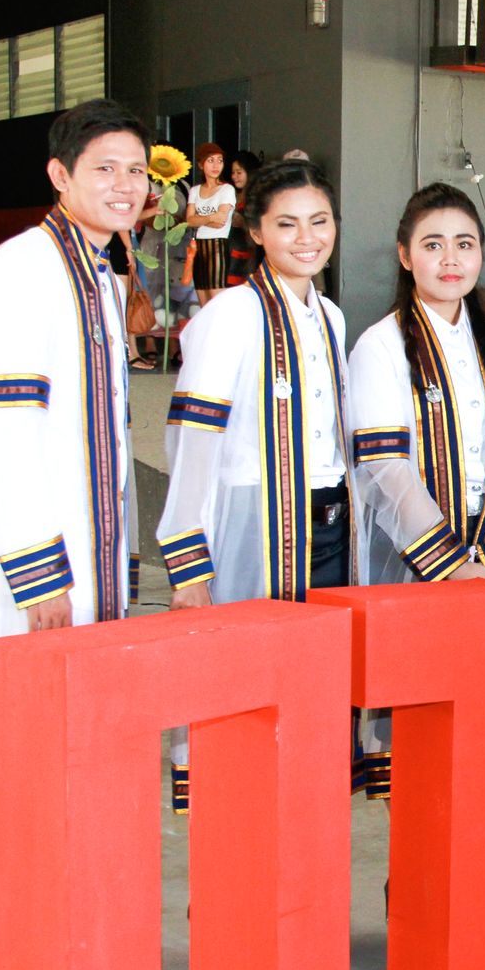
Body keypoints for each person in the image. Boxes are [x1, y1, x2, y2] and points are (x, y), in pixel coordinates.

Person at [0, 98, 148, 964]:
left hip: (90, 564)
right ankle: (2, 946)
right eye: (104, 168)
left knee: (79, 747)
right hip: (32, 573)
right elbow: (6, 431)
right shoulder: (22, 272)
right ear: (60, 175)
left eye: (136, 170)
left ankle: (69, 934)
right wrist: (41, 577)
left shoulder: (101, 275)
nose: (125, 185)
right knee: (14, 748)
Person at [157, 157, 353, 808]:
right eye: (287, 224)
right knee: (241, 689)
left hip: (330, 527)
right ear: (256, 231)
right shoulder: (231, 316)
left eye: (320, 221)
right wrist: (188, 564)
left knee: (311, 693)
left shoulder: (331, 315)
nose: (307, 237)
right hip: (255, 523)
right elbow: (192, 440)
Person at [348, 181, 485, 797]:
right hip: (414, 564)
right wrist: (454, 564)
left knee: (484, 737)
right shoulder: (381, 345)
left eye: (464, 243)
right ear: (405, 255)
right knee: (414, 738)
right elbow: (385, 469)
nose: (450, 259)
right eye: (433, 245)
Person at [183, 142, 235, 306]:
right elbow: (189, 221)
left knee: (216, 300)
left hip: (217, 246)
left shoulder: (227, 189)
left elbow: (220, 222)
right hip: (199, 247)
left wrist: (199, 218)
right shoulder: (194, 190)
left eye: (220, 160)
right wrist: (211, 217)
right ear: (200, 164)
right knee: (202, 299)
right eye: (210, 160)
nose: (216, 165)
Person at [225, 149, 263, 286]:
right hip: (230, 252)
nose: (234, 176)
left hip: (248, 255)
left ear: (250, 172)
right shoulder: (232, 195)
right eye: (233, 173)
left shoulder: (258, 197)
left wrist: (243, 223)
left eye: (239, 172)